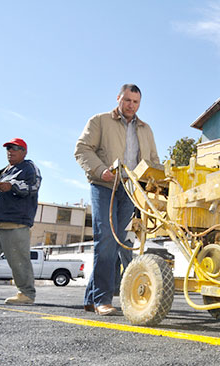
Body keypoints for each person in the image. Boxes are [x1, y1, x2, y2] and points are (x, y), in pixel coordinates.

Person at [75, 84, 159, 316]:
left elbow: (153, 160)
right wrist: (100, 170)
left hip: (130, 190)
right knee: (106, 240)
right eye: (127, 100)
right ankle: (103, 299)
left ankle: (91, 299)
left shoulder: (146, 129)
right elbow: (81, 149)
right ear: (119, 99)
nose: (131, 105)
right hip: (104, 186)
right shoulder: (100, 121)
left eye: (136, 102)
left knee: (119, 242)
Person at [0, 138, 42, 304]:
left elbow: (33, 186)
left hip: (15, 223)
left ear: (24, 152)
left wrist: (12, 185)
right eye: (8, 148)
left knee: (19, 261)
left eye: (15, 148)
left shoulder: (29, 167)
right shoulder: (4, 170)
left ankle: (27, 294)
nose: (10, 151)